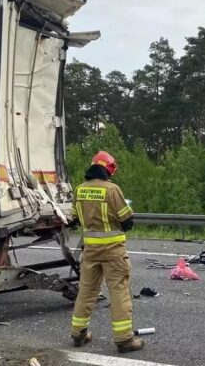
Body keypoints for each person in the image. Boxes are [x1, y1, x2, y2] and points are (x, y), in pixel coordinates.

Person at [68, 151, 144, 353]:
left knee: (86, 291)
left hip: (90, 250)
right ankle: (124, 339)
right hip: (113, 251)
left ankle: (78, 333)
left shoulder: (79, 189)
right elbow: (126, 219)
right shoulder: (112, 189)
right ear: (109, 170)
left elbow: (74, 218)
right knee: (118, 291)